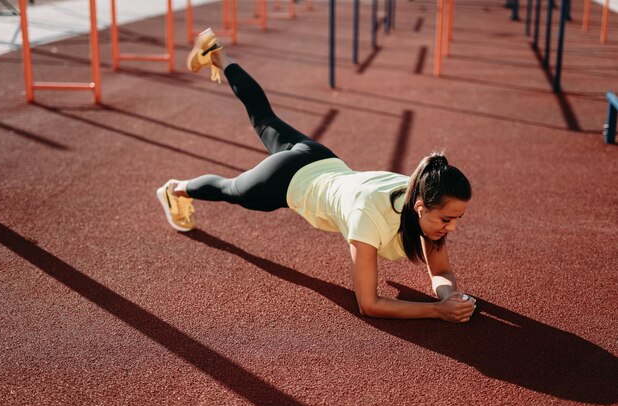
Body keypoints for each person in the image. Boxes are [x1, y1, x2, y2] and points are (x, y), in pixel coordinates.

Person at [156, 28, 477, 323]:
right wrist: (437, 311)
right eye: (447, 220)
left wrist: (451, 296)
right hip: (285, 182)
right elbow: (369, 304)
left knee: (263, 117)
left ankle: (218, 54)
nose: (453, 227)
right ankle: (175, 189)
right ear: (421, 206)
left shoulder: (420, 190)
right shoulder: (368, 217)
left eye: (456, 219)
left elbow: (442, 270)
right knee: (231, 190)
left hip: (319, 156)